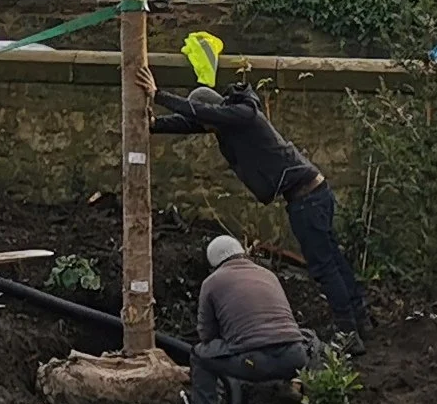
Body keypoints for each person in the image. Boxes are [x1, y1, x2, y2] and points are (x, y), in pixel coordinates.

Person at [150, 58, 370, 342]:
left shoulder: (243, 115)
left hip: (308, 199)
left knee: (324, 267)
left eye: (207, 121)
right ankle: (359, 319)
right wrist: (155, 124)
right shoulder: (232, 120)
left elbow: (201, 113)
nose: (205, 128)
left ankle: (348, 334)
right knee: (334, 261)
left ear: (216, 112)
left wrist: (159, 95)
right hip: (313, 193)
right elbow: (190, 122)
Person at [188, 234, 310, 404]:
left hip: (254, 363)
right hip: (295, 357)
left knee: (199, 354)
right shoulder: (268, 274)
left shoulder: (211, 283)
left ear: (213, 264)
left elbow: (206, 335)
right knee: (309, 338)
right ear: (242, 253)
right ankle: (294, 386)